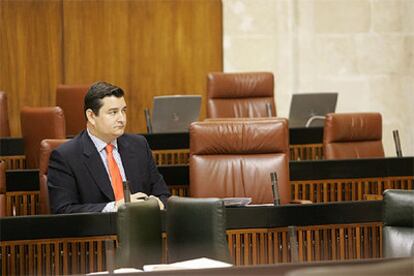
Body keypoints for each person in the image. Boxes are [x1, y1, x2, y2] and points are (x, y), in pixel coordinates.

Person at [48, 81, 170, 214]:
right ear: (91, 116)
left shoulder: (139, 145)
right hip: (97, 233)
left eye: (123, 111)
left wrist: (158, 203)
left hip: (141, 229)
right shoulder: (66, 156)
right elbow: (64, 210)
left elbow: (163, 195)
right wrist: (115, 207)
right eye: (113, 112)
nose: (121, 119)